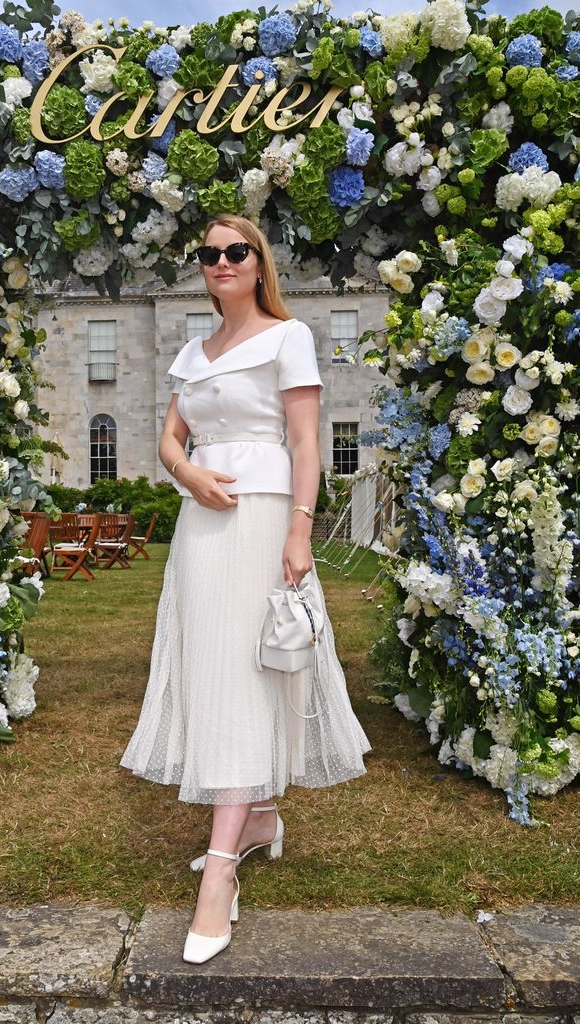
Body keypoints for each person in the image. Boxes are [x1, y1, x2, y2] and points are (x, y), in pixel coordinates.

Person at [119, 214, 372, 964]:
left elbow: (305, 442)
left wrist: (301, 527)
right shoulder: (194, 351)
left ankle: (221, 874)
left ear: (259, 263)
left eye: (237, 251)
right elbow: (169, 436)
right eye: (210, 253)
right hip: (200, 531)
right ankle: (257, 817)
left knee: (244, 674)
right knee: (213, 670)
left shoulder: (288, 338)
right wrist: (187, 471)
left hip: (263, 521)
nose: (222, 261)